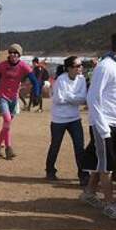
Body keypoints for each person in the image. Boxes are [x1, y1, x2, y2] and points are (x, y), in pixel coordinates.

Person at [80, 32, 116, 220]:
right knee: (106, 166)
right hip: (104, 125)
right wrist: (102, 127)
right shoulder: (105, 67)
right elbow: (93, 97)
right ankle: (109, 204)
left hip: (114, 122)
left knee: (103, 161)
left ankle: (89, 194)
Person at [0, 43, 40, 160]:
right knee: (7, 120)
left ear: (19, 55)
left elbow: (35, 81)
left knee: (7, 125)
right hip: (2, 97)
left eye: (15, 53)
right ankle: (8, 148)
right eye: (11, 52)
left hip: (14, 98)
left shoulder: (24, 66)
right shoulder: (2, 66)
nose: (12, 55)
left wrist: (36, 95)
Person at [44, 56, 88, 185]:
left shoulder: (82, 79)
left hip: (75, 118)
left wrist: (69, 97)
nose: (81, 68)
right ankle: (50, 170)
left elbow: (83, 98)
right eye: (78, 66)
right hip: (59, 119)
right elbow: (58, 99)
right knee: (55, 145)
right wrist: (75, 98)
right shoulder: (61, 80)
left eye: (81, 65)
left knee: (79, 147)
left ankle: (83, 175)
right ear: (69, 68)